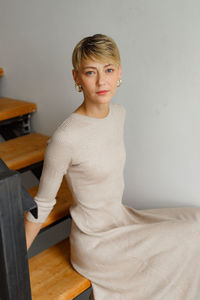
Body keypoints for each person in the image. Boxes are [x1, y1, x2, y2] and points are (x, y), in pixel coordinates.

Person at [25, 33, 200, 300]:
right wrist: (10, 263)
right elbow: (43, 205)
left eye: (108, 69)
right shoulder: (65, 138)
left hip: (121, 220)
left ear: (119, 71)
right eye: (90, 72)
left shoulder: (118, 114)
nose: (101, 81)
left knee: (196, 219)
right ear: (76, 78)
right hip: (96, 243)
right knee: (191, 235)